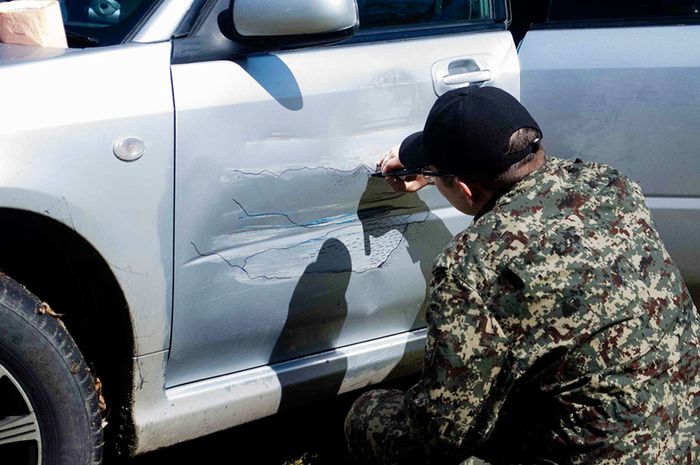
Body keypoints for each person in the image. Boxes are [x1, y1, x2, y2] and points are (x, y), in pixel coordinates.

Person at [344, 86, 700, 465]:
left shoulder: (471, 266)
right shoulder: (612, 185)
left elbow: (441, 432)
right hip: (684, 437)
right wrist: (435, 175)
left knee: (370, 416)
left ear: (465, 188)